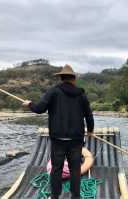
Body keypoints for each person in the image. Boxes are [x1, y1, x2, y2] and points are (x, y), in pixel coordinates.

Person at [23, 64, 94, 199]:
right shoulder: (81, 94)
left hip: (58, 139)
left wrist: (30, 104)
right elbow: (89, 115)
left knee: (56, 168)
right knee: (75, 169)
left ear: (61, 78)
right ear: (74, 78)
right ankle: (75, 196)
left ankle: (55, 196)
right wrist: (90, 131)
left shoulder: (53, 91)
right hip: (76, 139)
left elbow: (39, 109)